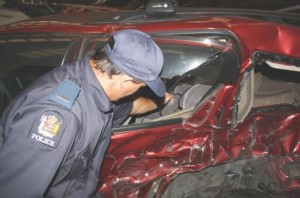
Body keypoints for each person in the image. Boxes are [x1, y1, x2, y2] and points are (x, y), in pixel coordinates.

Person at [0, 29, 171, 197]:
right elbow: (14, 191)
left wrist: (161, 102)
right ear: (125, 81)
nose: (137, 92)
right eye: (140, 86)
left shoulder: (94, 82)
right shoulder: (59, 114)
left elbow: (133, 106)